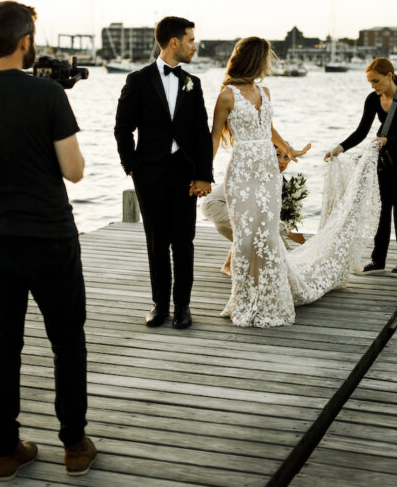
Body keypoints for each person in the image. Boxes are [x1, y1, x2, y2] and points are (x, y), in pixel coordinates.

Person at [0, 1, 97, 481]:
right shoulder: (47, 97)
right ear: (26, 41)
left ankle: (6, 452)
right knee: (67, 341)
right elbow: (74, 171)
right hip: (50, 235)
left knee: (4, 342)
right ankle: (74, 445)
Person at [209, 37, 381, 328]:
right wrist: (202, 174)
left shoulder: (265, 91)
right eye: (266, 58)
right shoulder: (226, 95)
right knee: (246, 238)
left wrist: (288, 148)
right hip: (241, 173)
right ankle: (244, 300)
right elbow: (214, 136)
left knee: (266, 236)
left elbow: (269, 128)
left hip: (267, 172)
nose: (269, 63)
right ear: (254, 59)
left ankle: (269, 299)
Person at [113, 16, 214, 330]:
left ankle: (182, 307)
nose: (195, 46)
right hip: (150, 174)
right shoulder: (138, 80)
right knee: (156, 241)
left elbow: (201, 134)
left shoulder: (193, 84)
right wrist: (132, 168)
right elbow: (122, 128)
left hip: (185, 175)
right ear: (174, 42)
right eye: (191, 40)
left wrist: (203, 175)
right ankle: (160, 304)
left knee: (184, 241)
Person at [325, 57, 397, 275]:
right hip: (385, 160)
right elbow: (361, 131)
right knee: (382, 209)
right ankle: (378, 260)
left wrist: (387, 140)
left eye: (376, 81)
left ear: (389, 76)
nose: (373, 86)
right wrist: (339, 148)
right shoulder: (372, 99)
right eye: (370, 82)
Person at [202, 144, 306, 276]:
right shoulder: (258, 174)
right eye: (277, 155)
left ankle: (242, 263)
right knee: (253, 226)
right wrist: (288, 232)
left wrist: (289, 228)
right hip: (216, 205)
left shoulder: (277, 179)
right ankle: (228, 266)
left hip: (234, 211)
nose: (281, 161)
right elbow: (258, 216)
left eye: (286, 157)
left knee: (282, 249)